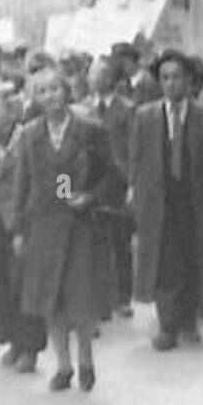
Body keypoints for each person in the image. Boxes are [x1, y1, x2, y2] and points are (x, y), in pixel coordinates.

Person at [13, 69, 124, 392]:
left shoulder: (90, 130)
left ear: (67, 92)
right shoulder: (30, 134)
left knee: (81, 297)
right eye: (42, 91)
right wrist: (19, 229)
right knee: (51, 298)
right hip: (44, 225)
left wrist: (90, 196)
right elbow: (23, 183)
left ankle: (86, 360)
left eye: (55, 89)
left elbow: (114, 176)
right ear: (36, 98)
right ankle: (63, 365)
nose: (50, 96)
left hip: (80, 226)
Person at [129, 49, 203, 349]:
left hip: (194, 202)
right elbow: (136, 160)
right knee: (162, 262)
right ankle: (167, 326)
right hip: (159, 203)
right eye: (165, 78)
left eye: (177, 78)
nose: (171, 84)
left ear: (189, 81)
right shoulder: (146, 116)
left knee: (192, 260)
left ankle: (188, 321)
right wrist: (135, 194)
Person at [0, 91, 45, 370]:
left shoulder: (27, 137)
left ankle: (30, 346)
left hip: (19, 219)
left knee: (23, 284)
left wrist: (63, 196)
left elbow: (48, 175)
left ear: (12, 112)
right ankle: (12, 339)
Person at [78, 55, 136, 317]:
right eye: (91, 73)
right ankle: (101, 295)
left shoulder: (127, 109)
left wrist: (133, 184)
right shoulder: (82, 108)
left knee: (120, 241)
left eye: (99, 73)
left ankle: (123, 296)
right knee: (94, 241)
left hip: (120, 181)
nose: (93, 78)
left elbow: (135, 149)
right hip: (92, 180)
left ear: (111, 78)